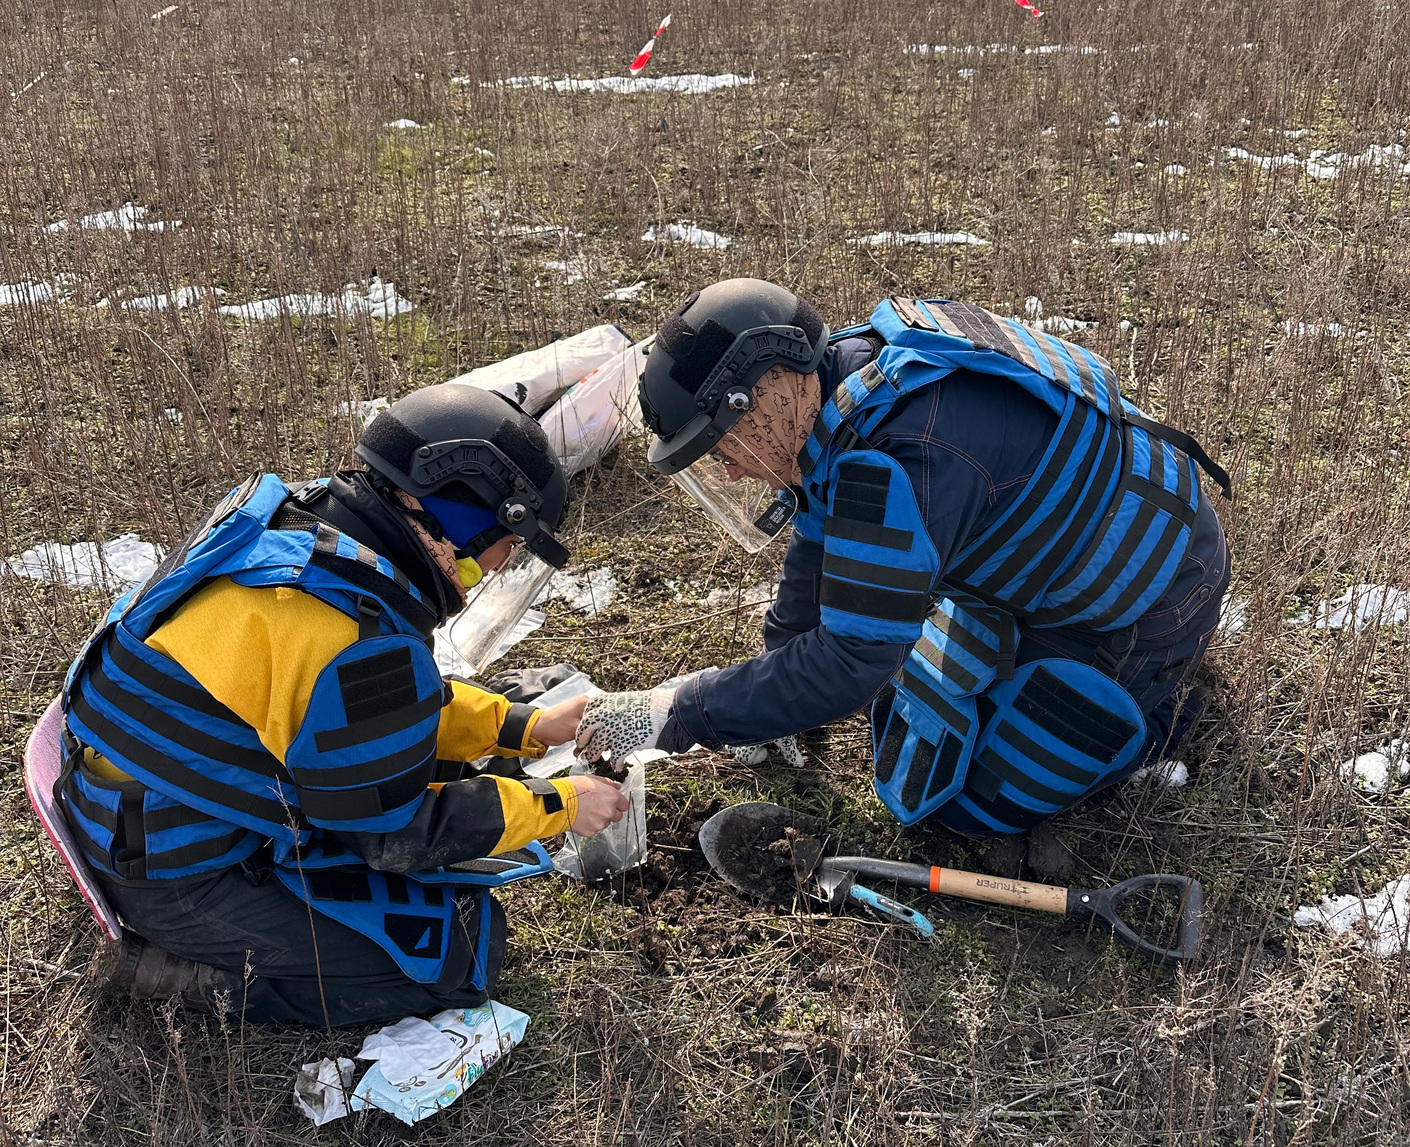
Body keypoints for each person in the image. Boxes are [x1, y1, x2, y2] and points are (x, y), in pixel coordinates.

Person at [576, 279, 1230, 839]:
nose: (730, 468)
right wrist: (778, 663)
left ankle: (1158, 715)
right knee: (913, 715)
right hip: (1068, 554)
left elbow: (850, 662)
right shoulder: (849, 379)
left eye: (720, 445)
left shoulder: (895, 459)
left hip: (1150, 593)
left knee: (967, 807)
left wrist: (674, 711)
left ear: (762, 396)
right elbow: (822, 528)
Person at [60, 386, 628, 1026]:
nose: (494, 574)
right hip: (176, 872)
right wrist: (562, 805)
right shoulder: (361, 645)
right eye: (507, 548)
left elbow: (362, 718)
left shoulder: (305, 536)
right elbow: (397, 836)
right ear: (459, 518)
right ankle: (178, 975)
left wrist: (521, 725)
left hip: (121, 804)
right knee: (461, 953)